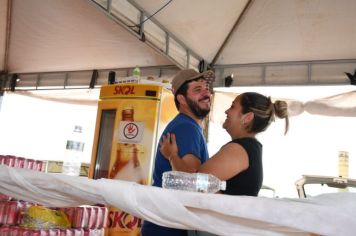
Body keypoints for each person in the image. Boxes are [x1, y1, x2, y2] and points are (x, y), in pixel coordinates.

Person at [160, 92, 289, 196]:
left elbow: (192, 185)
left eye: (233, 106)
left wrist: (172, 155)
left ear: (247, 117)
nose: (226, 111)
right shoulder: (249, 148)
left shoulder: (239, 150)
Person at [140, 69, 215, 236]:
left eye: (206, 88)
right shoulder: (187, 127)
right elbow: (190, 178)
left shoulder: (187, 125)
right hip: (168, 228)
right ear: (181, 99)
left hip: (164, 224)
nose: (206, 93)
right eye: (197, 89)